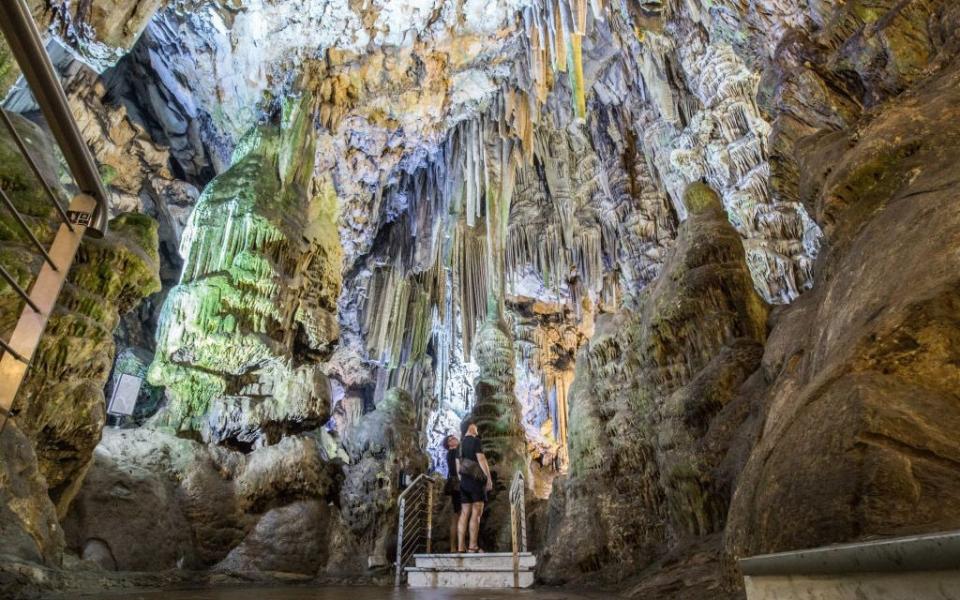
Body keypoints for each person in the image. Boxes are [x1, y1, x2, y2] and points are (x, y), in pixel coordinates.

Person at [457, 422, 493, 553]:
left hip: (464, 483)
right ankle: (472, 546)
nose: (477, 430)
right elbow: (482, 459)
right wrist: (488, 478)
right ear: (471, 427)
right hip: (475, 482)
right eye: (476, 427)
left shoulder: (459, 445)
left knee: (464, 514)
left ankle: (461, 547)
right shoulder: (475, 441)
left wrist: (462, 481)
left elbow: (458, 467)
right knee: (476, 513)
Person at [442, 434, 461, 552]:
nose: (454, 438)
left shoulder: (451, 454)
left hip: (455, 487)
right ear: (448, 444)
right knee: (458, 516)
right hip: (459, 486)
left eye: (454, 437)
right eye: (451, 439)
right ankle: (457, 546)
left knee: (457, 516)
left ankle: (454, 547)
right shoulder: (454, 453)